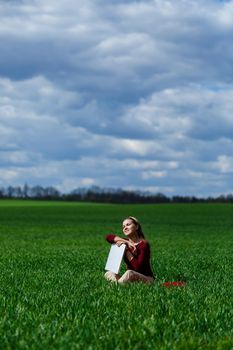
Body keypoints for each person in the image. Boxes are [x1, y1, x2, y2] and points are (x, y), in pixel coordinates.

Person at [104, 216, 155, 284]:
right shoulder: (125, 242)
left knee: (129, 273)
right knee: (109, 273)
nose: (125, 228)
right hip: (132, 278)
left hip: (146, 279)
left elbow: (137, 268)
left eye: (128, 225)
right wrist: (126, 242)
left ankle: (116, 286)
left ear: (136, 227)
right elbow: (108, 237)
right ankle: (118, 285)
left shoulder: (143, 245)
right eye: (123, 226)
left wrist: (126, 250)